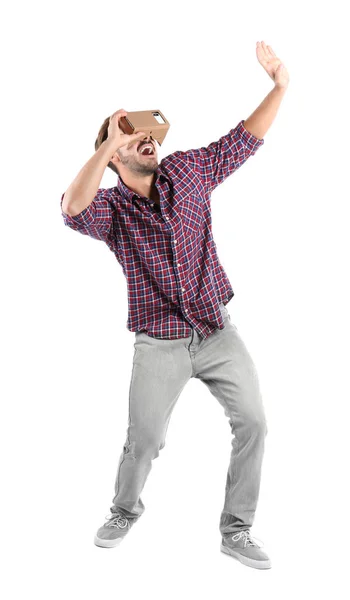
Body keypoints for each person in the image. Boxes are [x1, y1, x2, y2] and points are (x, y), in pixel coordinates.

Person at [60, 41, 289, 571]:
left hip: (215, 331)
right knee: (144, 440)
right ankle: (123, 510)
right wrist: (106, 142)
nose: (144, 138)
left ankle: (237, 529)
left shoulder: (186, 173)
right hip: (158, 342)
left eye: (144, 133)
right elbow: (72, 208)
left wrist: (278, 86)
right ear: (113, 157)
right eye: (128, 136)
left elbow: (243, 140)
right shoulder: (111, 210)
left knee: (255, 421)